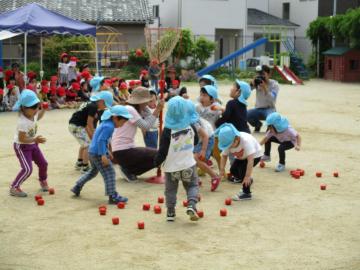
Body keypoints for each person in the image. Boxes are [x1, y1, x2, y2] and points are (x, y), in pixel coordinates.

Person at [71, 106, 132, 204]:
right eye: (123, 122)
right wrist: (103, 155)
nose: (122, 125)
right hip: (98, 153)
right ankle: (112, 196)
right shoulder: (109, 126)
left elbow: (100, 140)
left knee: (93, 172)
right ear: (115, 117)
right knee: (110, 173)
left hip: (93, 151)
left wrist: (108, 151)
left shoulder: (106, 123)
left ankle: (77, 186)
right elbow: (101, 140)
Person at [154, 96, 200, 222]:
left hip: (171, 168)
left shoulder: (167, 131)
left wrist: (157, 162)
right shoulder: (191, 127)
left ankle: (170, 212)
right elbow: (196, 141)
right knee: (192, 186)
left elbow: (162, 150)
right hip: (188, 164)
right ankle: (191, 205)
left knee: (171, 190)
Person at [111, 88, 164, 182]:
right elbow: (146, 126)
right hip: (123, 150)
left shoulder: (136, 109)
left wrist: (150, 108)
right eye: (146, 101)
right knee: (159, 155)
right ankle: (128, 170)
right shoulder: (130, 109)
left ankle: (130, 170)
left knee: (156, 156)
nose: (147, 103)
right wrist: (158, 109)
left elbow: (148, 118)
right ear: (140, 102)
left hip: (123, 150)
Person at [10, 90, 49, 197]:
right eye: (33, 108)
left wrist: (43, 110)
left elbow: (38, 117)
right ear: (23, 108)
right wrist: (35, 140)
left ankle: (43, 180)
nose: (36, 110)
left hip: (32, 144)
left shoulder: (33, 114)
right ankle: (14, 187)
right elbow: (22, 139)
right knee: (27, 169)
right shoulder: (22, 122)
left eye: (37, 107)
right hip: (22, 146)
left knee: (43, 163)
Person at [68, 91, 113, 173]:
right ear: (101, 101)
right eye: (105, 105)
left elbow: (87, 122)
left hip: (75, 125)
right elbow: (89, 123)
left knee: (84, 144)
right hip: (77, 126)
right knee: (88, 145)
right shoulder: (93, 107)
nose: (105, 107)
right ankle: (85, 167)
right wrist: (94, 135)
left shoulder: (90, 103)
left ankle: (79, 162)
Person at [215, 123, 262, 201]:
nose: (229, 147)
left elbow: (250, 160)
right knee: (233, 170)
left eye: (230, 145)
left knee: (244, 172)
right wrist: (222, 169)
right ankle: (246, 180)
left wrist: (247, 176)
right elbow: (224, 156)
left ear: (236, 138)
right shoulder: (229, 142)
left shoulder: (246, 141)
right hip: (242, 156)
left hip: (255, 156)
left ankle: (246, 193)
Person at [188, 100, 220, 191]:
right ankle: (196, 179)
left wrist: (203, 150)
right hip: (198, 139)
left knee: (196, 159)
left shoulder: (194, 122)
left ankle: (214, 176)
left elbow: (205, 136)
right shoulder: (185, 120)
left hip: (207, 138)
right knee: (189, 158)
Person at [196, 85, 222, 170]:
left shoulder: (215, 106)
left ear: (212, 99)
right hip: (201, 135)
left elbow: (225, 112)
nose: (201, 97)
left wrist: (220, 108)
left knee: (216, 155)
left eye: (204, 95)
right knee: (200, 154)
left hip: (213, 135)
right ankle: (203, 170)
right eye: (201, 95)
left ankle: (222, 171)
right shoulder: (198, 106)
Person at [247, 65, 280, 132]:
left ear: (269, 74)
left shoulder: (274, 84)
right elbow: (246, 91)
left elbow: (272, 99)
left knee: (272, 117)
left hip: (270, 109)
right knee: (246, 114)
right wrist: (251, 84)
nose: (260, 76)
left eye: (262, 74)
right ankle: (257, 125)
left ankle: (270, 127)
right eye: (259, 74)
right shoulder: (257, 82)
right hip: (258, 109)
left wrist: (265, 88)